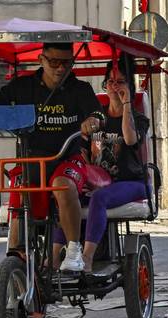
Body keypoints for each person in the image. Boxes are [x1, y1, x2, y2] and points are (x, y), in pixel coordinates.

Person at [0, 42, 104, 272]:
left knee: (63, 185)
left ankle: (73, 251)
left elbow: (97, 112)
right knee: (18, 188)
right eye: (54, 62)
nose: (60, 69)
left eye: (67, 63)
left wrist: (93, 121)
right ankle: (16, 250)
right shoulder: (22, 87)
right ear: (41, 60)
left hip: (68, 159)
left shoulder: (80, 89)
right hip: (32, 160)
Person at [49, 62, 151, 272]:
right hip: (97, 182)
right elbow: (83, 153)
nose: (114, 86)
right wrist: (88, 180)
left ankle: (87, 258)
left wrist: (126, 105)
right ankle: (54, 258)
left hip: (131, 182)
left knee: (99, 198)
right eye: (110, 82)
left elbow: (131, 140)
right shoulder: (97, 119)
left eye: (120, 82)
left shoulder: (139, 119)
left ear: (129, 87)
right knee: (65, 195)